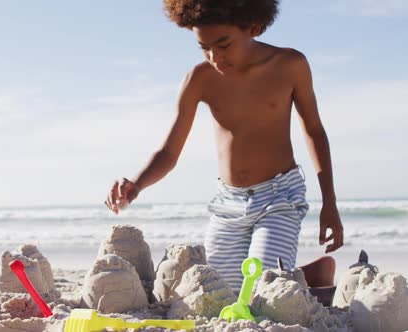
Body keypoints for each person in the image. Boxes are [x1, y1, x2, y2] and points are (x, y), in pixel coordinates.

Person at [104, 0, 344, 293]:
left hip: (279, 196)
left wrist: (329, 203)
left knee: (259, 291)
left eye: (224, 44)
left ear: (253, 27)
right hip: (228, 204)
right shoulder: (199, 79)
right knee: (221, 295)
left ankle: (297, 279)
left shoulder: (289, 66)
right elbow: (169, 152)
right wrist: (137, 184)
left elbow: (314, 132)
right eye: (204, 47)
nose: (214, 57)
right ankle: (311, 274)